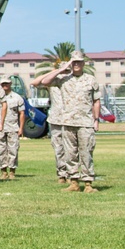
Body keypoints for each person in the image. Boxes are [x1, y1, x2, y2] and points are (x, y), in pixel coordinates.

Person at [39, 50, 101, 192]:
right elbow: (45, 81)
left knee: (86, 152)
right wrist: (61, 69)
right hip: (67, 122)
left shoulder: (90, 79)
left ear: (83, 63)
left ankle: (88, 183)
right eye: (74, 62)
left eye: (79, 62)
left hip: (85, 122)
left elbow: (96, 101)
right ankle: (74, 182)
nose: (77, 64)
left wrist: (96, 120)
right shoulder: (63, 79)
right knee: (70, 154)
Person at [0, 77, 25, 180]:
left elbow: (22, 113)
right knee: (1, 150)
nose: (5, 85)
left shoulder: (17, 97)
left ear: (10, 84)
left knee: (13, 150)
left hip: (13, 127)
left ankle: (12, 171)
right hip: (0, 127)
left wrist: (21, 128)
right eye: (3, 83)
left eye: (7, 83)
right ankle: (3, 171)